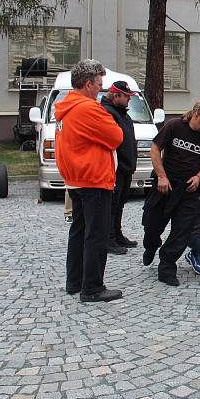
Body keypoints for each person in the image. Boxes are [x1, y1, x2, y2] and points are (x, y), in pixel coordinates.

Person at [55, 59, 124, 302]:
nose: (100, 89)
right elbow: (116, 136)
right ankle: (92, 288)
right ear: (87, 84)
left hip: (76, 179)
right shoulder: (88, 108)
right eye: (98, 84)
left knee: (79, 231)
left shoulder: (66, 107)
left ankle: (75, 281)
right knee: (96, 235)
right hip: (94, 179)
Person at [142, 99, 200, 286]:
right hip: (165, 184)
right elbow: (155, 148)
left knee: (181, 231)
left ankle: (167, 267)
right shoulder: (174, 126)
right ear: (196, 114)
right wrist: (161, 176)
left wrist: (199, 177)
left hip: (189, 189)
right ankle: (151, 245)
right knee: (152, 225)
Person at [101, 80, 139, 254]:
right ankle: (108, 239)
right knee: (111, 205)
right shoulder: (108, 113)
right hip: (115, 168)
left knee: (120, 203)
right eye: (127, 97)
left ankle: (117, 234)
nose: (129, 100)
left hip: (125, 168)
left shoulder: (122, 114)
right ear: (116, 96)